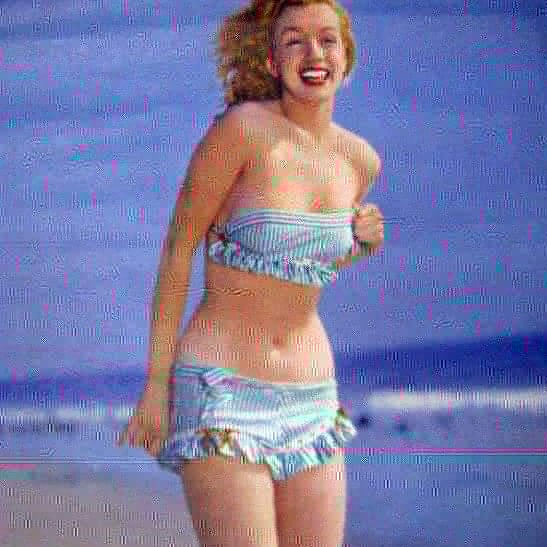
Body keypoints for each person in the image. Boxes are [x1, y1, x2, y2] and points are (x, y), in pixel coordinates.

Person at [117, 1, 384, 545]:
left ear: (347, 57)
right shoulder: (241, 131)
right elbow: (177, 251)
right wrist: (156, 386)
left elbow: (297, 267)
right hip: (222, 391)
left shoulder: (360, 161)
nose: (313, 54)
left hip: (312, 398)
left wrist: (358, 247)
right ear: (271, 60)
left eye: (327, 40)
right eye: (294, 41)